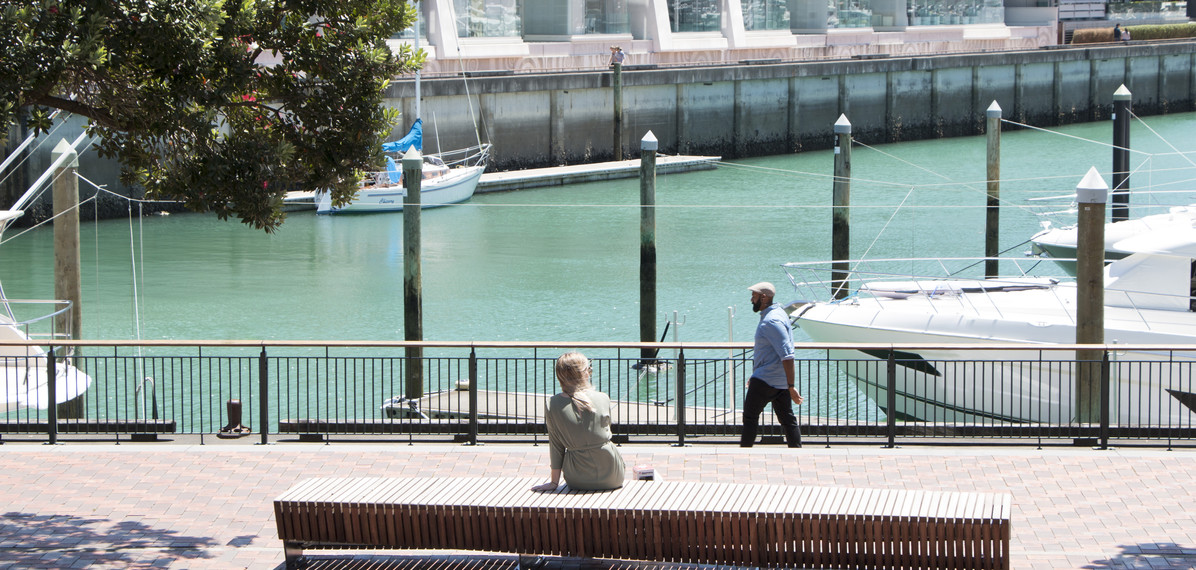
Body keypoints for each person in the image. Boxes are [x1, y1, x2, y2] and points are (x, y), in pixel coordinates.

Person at [531, 352, 626, 491]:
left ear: (560, 376)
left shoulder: (552, 404)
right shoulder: (603, 398)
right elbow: (605, 431)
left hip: (577, 478)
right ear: (585, 374)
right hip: (613, 474)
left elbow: (556, 445)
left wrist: (554, 482)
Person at [740, 281, 804, 448]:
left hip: (767, 380)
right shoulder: (779, 313)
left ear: (763, 297)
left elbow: (787, 354)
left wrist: (791, 386)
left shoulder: (772, 321)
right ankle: (797, 452)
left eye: (754, 296)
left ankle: (744, 453)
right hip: (776, 379)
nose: (751, 300)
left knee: (750, 417)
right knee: (787, 419)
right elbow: (773, 352)